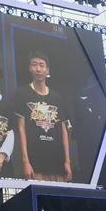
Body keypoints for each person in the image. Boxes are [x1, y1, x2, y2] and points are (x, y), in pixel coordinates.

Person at [13, 51, 72, 181]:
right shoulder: (22, 94)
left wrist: (67, 161)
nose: (38, 69)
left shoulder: (57, 98)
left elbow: (63, 130)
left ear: (47, 70)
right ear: (30, 68)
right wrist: (25, 161)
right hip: (35, 163)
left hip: (57, 162)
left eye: (41, 65)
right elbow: (21, 129)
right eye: (34, 64)